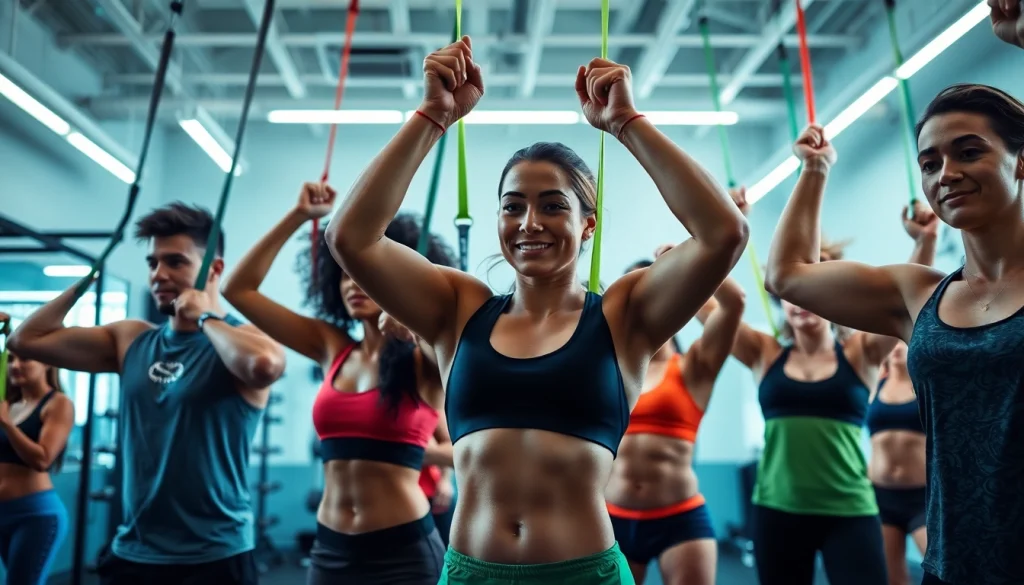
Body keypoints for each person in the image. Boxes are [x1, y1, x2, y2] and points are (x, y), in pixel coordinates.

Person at [325, 35, 749, 585]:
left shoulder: (624, 314)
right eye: (513, 207)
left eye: (553, 206)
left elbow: (723, 233)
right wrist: (432, 115)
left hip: (583, 573)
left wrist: (626, 123)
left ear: (587, 225)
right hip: (471, 572)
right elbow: (350, 237)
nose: (530, 223)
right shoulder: (458, 309)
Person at [763, 19, 1024, 577]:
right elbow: (786, 274)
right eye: (930, 163)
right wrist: (813, 170)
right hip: (951, 566)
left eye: (969, 152)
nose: (946, 173)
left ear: (1021, 161)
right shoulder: (919, 295)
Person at [7, 203, 286, 585]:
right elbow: (28, 339)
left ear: (214, 270)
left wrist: (205, 316)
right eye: (153, 263)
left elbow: (265, 367)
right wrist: (89, 276)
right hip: (134, 552)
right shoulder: (131, 339)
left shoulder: (238, 340)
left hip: (216, 555)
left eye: (175, 262)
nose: (159, 275)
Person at [221, 187, 457, 584]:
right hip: (330, 549)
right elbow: (237, 289)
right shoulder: (331, 347)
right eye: (344, 272)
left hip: (403, 552)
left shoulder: (424, 358)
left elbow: (451, 347)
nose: (352, 283)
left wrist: (416, 324)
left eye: (365, 272)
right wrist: (299, 215)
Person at [716, 185, 936, 585]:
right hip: (777, 510)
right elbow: (708, 306)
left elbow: (905, 305)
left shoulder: (861, 353)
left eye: (813, 289)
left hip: (850, 509)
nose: (801, 301)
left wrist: (926, 241)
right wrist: (726, 225)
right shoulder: (764, 352)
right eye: (793, 293)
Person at [604, 248, 745, 585]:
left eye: (662, 291)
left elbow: (734, 304)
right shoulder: (610, 368)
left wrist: (698, 261)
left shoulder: (694, 367)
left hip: (680, 519)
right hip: (612, 518)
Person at [0, 324, 74, 585]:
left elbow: (43, 459)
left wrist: (7, 424)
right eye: (10, 360)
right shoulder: (9, 404)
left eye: (25, 358)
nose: (16, 366)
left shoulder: (58, 403)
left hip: (34, 516)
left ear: (48, 363)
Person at [867, 341, 928, 585]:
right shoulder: (874, 382)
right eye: (888, 340)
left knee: (945, 574)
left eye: (901, 339)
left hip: (924, 498)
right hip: (880, 496)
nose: (895, 346)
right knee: (893, 579)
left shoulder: (925, 383)